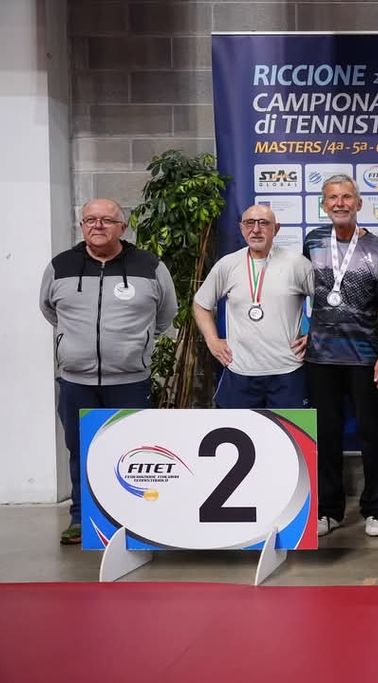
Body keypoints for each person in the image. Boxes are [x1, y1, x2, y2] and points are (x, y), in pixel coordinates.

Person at [39, 198, 178, 545]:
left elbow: (166, 314)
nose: (97, 225)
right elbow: (49, 309)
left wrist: (136, 346)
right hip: (76, 381)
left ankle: (132, 519)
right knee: (80, 450)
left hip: (130, 381)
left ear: (122, 227)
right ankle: (80, 518)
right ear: (82, 226)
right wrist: (74, 345)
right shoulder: (60, 266)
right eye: (90, 220)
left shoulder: (150, 266)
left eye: (106, 220)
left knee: (132, 452)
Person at [304, 175, 378, 538]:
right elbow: (300, 291)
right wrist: (301, 331)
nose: (339, 203)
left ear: (358, 203)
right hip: (321, 356)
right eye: (332, 198)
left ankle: (376, 509)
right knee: (326, 435)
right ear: (324, 204)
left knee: (372, 436)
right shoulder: (312, 242)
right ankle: (329, 511)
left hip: (365, 356)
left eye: (346, 197)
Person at [194, 204, 313, 408]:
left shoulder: (297, 264)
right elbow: (201, 304)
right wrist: (212, 340)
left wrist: (314, 335)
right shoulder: (228, 265)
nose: (256, 229)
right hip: (240, 373)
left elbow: (327, 304)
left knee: (290, 430)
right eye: (249, 223)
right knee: (236, 429)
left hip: (288, 372)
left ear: (276, 229)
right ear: (242, 228)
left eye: (263, 223)